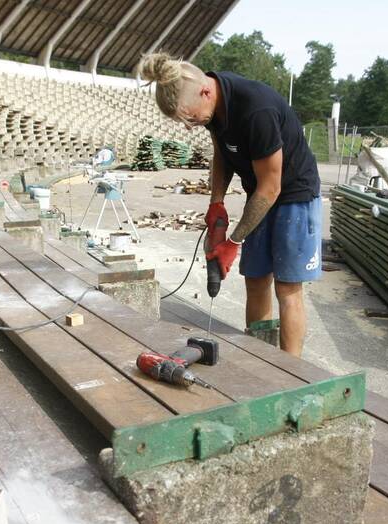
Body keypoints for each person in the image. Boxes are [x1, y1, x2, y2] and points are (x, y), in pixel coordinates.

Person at [136, 52, 321, 357]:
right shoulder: (214, 106)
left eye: (191, 118)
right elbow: (222, 153)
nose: (189, 127)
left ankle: (290, 372)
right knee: (256, 280)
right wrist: (216, 204)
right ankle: (262, 357)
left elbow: (271, 187)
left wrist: (233, 241)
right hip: (262, 193)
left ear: (205, 92)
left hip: (293, 195)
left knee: (287, 288)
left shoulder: (255, 110)